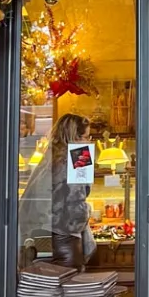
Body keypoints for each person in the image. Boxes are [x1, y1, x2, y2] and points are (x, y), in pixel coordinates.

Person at [18, 113, 97, 270]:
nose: (89, 141)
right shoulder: (79, 156)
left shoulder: (50, 156)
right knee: (67, 283)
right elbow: (76, 208)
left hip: (43, 237)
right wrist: (87, 212)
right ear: (76, 137)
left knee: (49, 281)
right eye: (87, 137)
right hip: (66, 242)